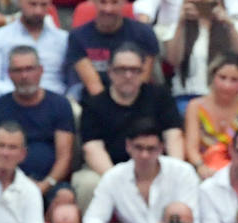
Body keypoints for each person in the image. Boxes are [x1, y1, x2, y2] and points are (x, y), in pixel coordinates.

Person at [75, 45, 184, 208]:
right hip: (107, 168)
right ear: (110, 72)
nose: (128, 75)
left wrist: (174, 172)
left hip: (155, 165)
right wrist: (121, 182)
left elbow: (174, 136)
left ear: (142, 72)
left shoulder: (160, 96)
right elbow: (92, 148)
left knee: (185, 177)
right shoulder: (94, 104)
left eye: (134, 70)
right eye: (121, 70)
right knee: (86, 184)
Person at [84, 121, 200, 223]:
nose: (144, 155)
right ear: (128, 146)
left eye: (151, 149)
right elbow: (91, 222)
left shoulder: (183, 172)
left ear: (162, 148)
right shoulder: (113, 177)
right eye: (139, 148)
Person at [0, 47, 75, 196]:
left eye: (29, 69)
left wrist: (44, 186)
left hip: (50, 184)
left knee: (65, 198)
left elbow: (64, 157)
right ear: (9, 74)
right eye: (18, 70)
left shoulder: (60, 105)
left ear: (40, 70)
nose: (24, 76)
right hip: (5, 183)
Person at [182, 52, 238, 179]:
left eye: (234, 80)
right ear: (213, 77)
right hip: (204, 170)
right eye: (222, 78)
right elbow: (191, 148)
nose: (227, 85)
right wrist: (201, 167)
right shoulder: (195, 106)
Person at [65, 0, 160, 99]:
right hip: (95, 101)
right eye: (103, 2)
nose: (108, 9)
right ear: (94, 2)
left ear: (124, 3)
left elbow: (141, 81)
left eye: (114, 3)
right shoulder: (78, 37)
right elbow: (94, 87)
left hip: (137, 98)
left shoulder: (144, 34)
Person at [0, 0, 68, 98]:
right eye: (32, 4)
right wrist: (20, 98)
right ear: (20, 3)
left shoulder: (64, 40)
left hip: (57, 103)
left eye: (43, 5)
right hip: (9, 102)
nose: (38, 11)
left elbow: (75, 82)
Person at [164, 0, 238, 106]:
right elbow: (173, 59)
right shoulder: (178, 26)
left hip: (226, 96)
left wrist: (228, 24)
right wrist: (181, 23)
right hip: (187, 95)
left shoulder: (234, 24)